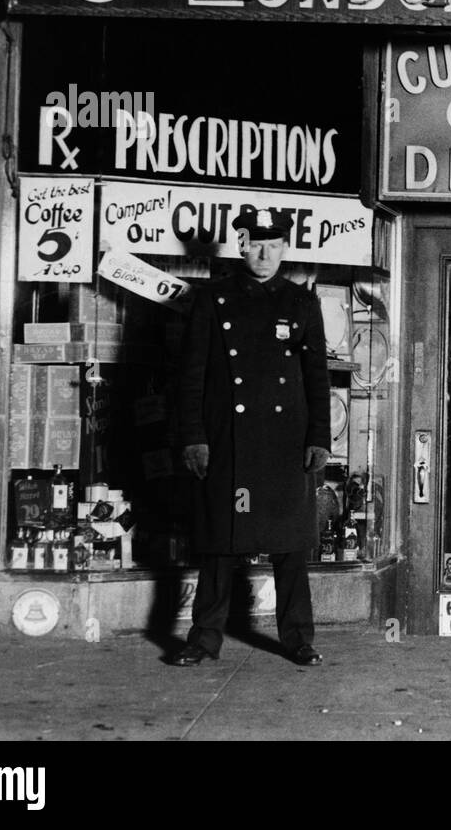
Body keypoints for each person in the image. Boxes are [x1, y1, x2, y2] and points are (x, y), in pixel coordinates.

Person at [169, 208, 331, 667]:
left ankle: (299, 638)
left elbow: (315, 376)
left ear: (284, 247)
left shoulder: (301, 302)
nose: (264, 253)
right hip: (228, 440)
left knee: (290, 547)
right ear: (241, 244)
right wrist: (194, 437)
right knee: (220, 542)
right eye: (255, 244)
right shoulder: (212, 298)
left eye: (274, 245)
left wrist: (319, 436)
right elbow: (191, 377)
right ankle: (203, 639)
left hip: (284, 441)